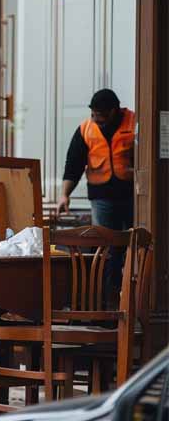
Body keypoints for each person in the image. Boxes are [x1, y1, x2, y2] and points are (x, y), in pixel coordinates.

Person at [57, 88, 135, 305]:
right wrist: (64, 195)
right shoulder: (86, 130)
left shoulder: (134, 123)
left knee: (133, 243)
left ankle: (129, 292)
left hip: (132, 195)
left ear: (113, 112)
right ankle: (105, 296)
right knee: (104, 244)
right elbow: (73, 164)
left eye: (99, 116)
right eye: (93, 115)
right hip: (101, 198)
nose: (95, 120)